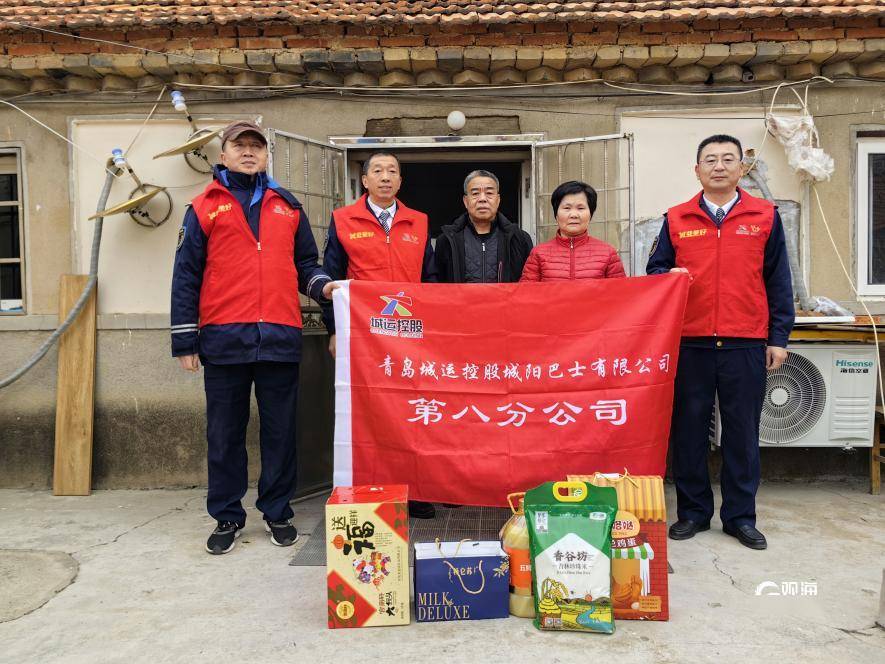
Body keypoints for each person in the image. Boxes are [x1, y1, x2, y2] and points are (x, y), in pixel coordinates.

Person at [171, 121, 338, 555]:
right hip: (224, 338)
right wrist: (185, 340)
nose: (248, 153)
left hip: (280, 337)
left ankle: (278, 510)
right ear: (223, 155)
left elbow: (306, 263)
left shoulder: (287, 206)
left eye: (255, 147)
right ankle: (227, 515)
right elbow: (185, 275)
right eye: (239, 146)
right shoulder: (204, 206)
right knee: (224, 434)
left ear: (266, 156)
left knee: (282, 431)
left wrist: (324, 287)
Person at [647, 134, 794, 551]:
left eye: (728, 159)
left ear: (741, 169)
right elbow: (654, 271)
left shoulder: (765, 216)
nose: (719, 166)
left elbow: (778, 281)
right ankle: (693, 513)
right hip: (689, 342)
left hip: (745, 340)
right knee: (689, 431)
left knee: (742, 434)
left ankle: (740, 517)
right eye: (709, 160)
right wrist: (667, 276)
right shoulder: (676, 218)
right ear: (697, 170)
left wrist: (778, 337)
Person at [322, 151, 438, 519]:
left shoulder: (418, 222)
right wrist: (335, 330)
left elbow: (431, 279)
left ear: (401, 182)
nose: (385, 177)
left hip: (411, 337)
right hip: (364, 337)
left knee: (412, 415)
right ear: (365, 180)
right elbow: (332, 281)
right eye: (378, 171)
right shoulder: (343, 220)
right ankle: (371, 488)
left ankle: (415, 490)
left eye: (392, 172)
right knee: (372, 414)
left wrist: (433, 330)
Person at [434, 169, 533, 283]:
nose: (482, 199)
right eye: (475, 193)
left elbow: (529, 285)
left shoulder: (519, 239)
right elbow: (439, 288)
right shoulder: (447, 241)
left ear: (498, 200)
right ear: (465, 201)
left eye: (489, 193)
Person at [520, 180, 625, 281]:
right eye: (567, 208)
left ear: (590, 214)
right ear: (556, 214)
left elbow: (620, 293)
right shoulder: (538, 254)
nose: (574, 215)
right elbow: (527, 294)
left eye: (581, 208)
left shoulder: (608, 253)